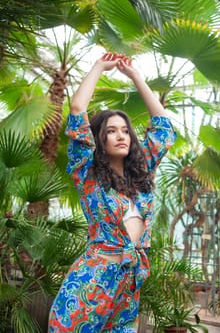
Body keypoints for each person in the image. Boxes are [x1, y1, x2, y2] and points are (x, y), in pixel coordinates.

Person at [48, 52, 176, 332]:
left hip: (128, 287)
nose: (121, 136)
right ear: (99, 139)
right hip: (90, 285)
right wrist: (98, 67)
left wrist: (136, 77)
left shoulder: (142, 175)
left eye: (126, 131)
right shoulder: (88, 174)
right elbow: (78, 109)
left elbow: (163, 127)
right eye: (111, 131)